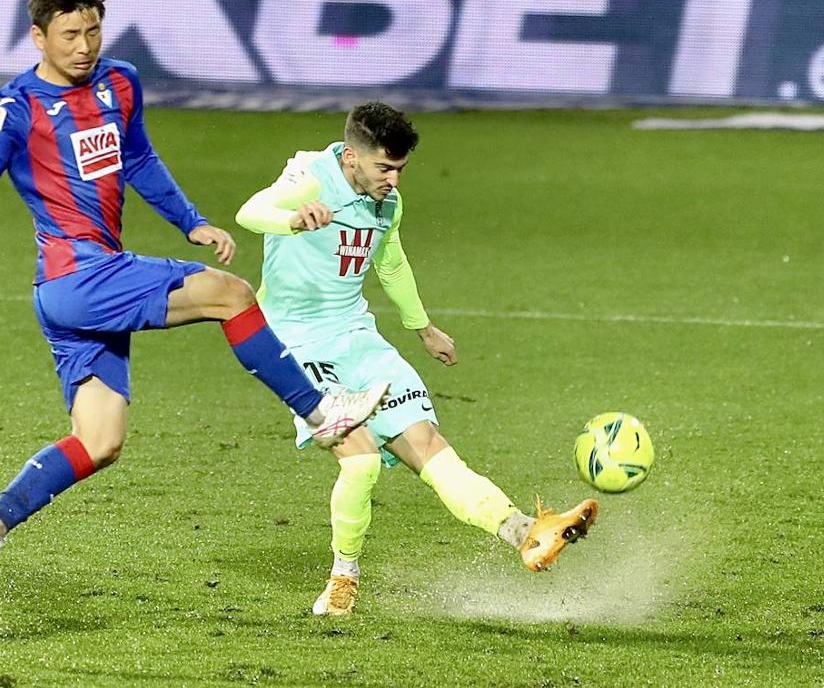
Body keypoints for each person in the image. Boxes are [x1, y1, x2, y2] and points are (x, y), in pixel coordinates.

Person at [0, 0, 387, 611]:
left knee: (100, 441)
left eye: (93, 30)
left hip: (73, 293)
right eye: (70, 34)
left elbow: (139, 159)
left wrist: (193, 221)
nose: (85, 45)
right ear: (38, 35)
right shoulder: (19, 103)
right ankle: (324, 416)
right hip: (83, 277)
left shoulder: (119, 82)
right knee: (232, 295)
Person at [235, 101, 598, 616]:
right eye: (384, 168)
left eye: (400, 169)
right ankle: (344, 577)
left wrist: (422, 328)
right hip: (296, 344)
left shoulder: (387, 203)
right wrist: (293, 218)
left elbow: (391, 260)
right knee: (359, 461)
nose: (394, 180)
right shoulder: (310, 176)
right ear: (352, 159)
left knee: (429, 446)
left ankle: (526, 533)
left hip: (357, 338)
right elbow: (250, 212)